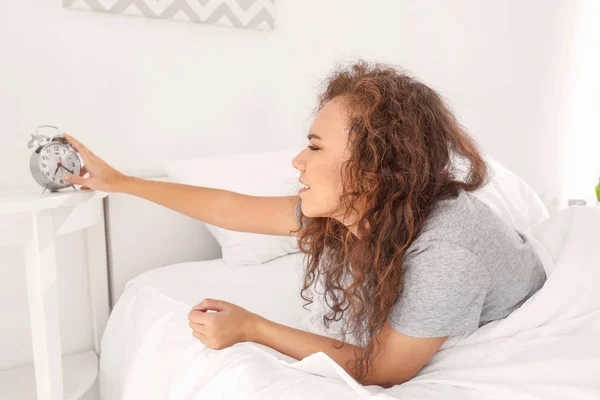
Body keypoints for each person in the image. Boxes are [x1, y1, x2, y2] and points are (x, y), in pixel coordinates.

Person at [63, 60, 547, 389]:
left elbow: (382, 369)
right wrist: (121, 182)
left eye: (315, 147)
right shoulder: (360, 206)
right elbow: (231, 209)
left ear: (374, 166)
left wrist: (251, 327)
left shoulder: (446, 251)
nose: (297, 161)